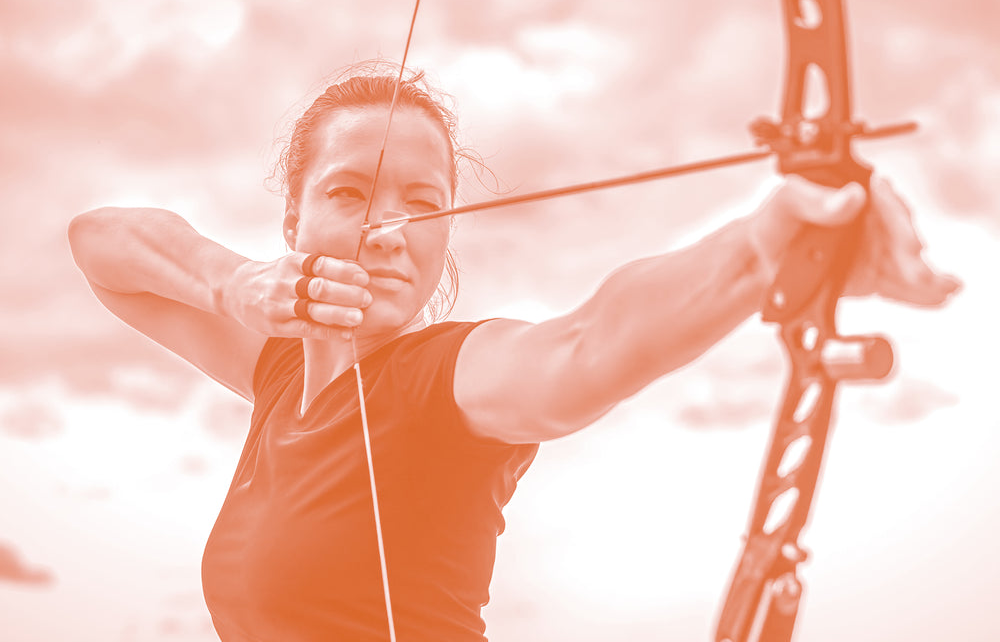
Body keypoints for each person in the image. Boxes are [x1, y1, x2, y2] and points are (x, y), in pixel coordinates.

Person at [67, 63, 959, 642]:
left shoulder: (448, 380)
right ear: (293, 218)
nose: (389, 228)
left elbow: (585, 346)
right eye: (349, 192)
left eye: (424, 202)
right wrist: (229, 282)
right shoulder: (273, 375)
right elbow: (100, 245)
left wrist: (768, 245)